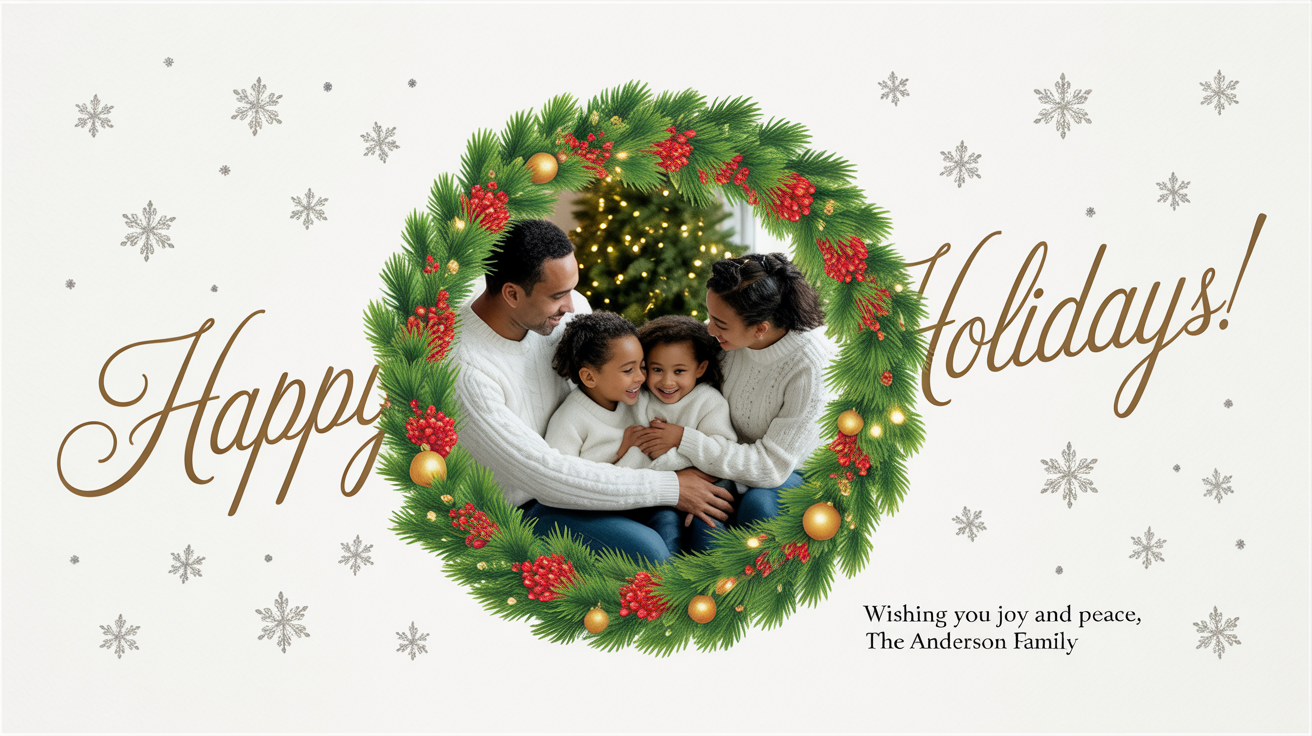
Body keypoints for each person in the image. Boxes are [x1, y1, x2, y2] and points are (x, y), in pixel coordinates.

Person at [447, 219, 734, 563]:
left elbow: (622, 369)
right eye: (557, 295)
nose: (572, 305)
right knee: (648, 551)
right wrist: (672, 486)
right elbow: (544, 476)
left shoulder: (561, 315)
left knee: (695, 518)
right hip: (526, 505)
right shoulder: (466, 370)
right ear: (511, 293)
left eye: (571, 289)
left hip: (592, 468)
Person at [634, 252, 833, 553]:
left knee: (758, 504)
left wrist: (687, 445)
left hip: (786, 469)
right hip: (722, 459)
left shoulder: (809, 366)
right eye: (709, 316)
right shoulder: (725, 340)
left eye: (719, 323)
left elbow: (771, 467)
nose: (709, 329)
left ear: (760, 329)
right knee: (688, 517)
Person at [543, 312, 683, 560]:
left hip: (637, 500)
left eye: (641, 366)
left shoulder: (633, 401)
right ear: (589, 376)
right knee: (648, 545)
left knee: (669, 518)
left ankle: (682, 584)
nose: (640, 377)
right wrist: (621, 448)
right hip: (592, 511)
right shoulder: (571, 418)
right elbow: (564, 482)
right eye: (628, 370)